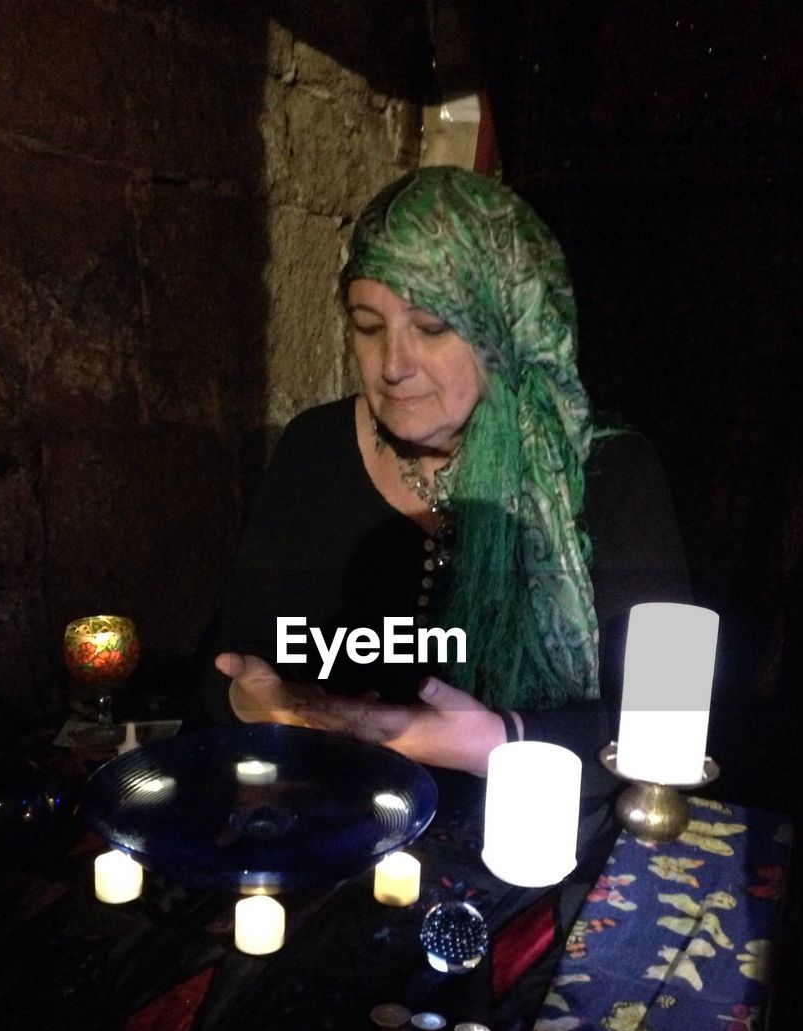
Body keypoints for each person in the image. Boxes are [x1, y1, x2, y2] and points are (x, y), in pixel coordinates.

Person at [202, 166, 690, 852]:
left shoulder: (605, 473)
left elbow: (658, 732)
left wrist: (489, 742)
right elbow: (231, 660)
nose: (393, 364)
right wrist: (253, 701)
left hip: (533, 847)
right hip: (337, 828)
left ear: (505, 331)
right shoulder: (315, 447)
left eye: (431, 327)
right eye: (368, 327)